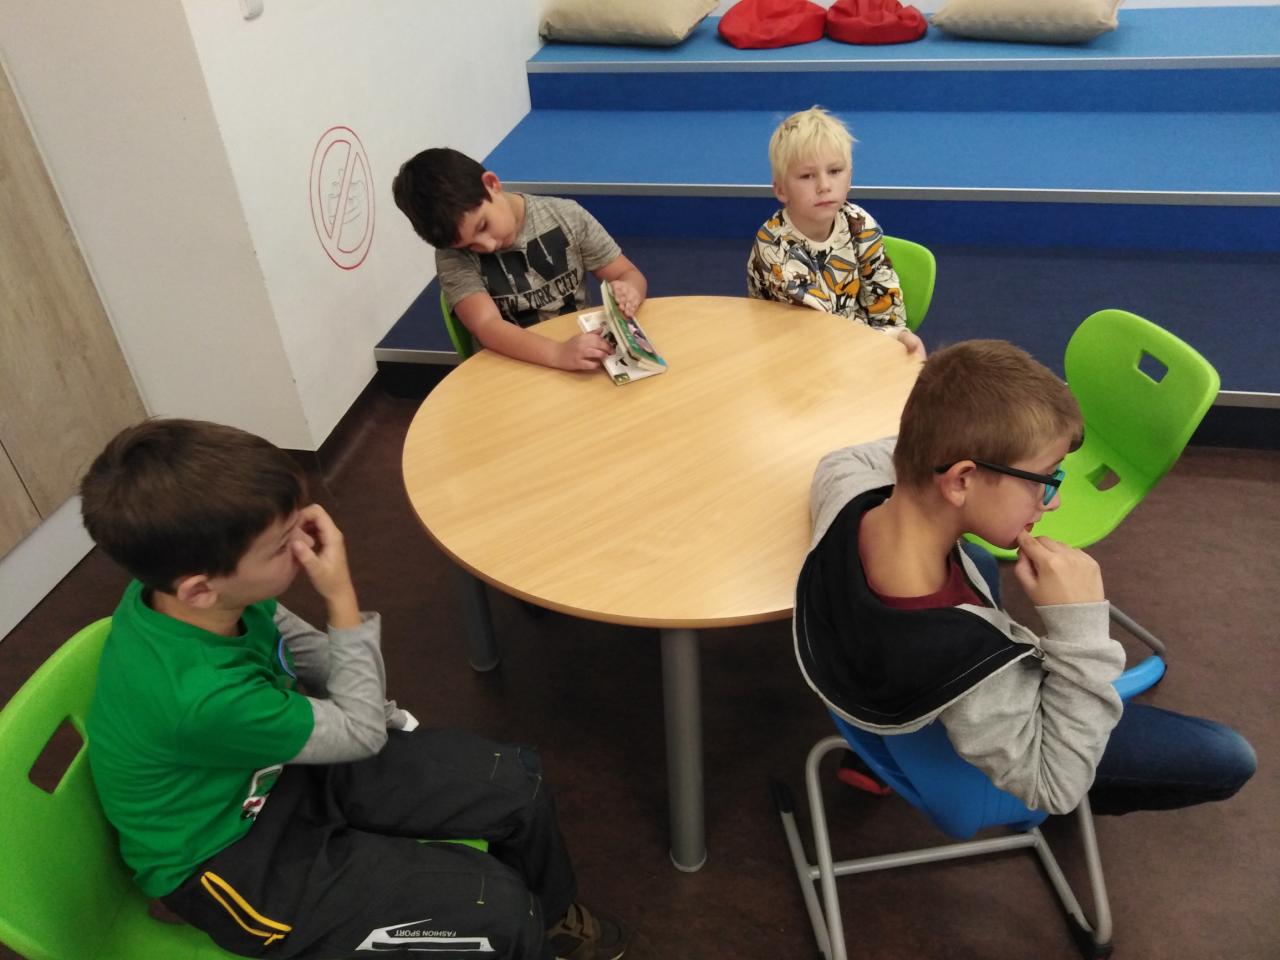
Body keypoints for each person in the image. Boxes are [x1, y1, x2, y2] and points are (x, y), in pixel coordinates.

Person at [81, 418, 626, 960]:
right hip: (231, 860)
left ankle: (551, 922)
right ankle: (524, 932)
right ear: (200, 590)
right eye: (282, 544)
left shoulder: (196, 596)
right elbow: (359, 734)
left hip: (270, 773)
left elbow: (300, 649)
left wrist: (381, 713)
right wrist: (340, 595)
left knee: (516, 784)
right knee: (498, 910)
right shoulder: (201, 699)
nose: (304, 546)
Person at [795, 340, 1255, 817]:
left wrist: (932, 430)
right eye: (1045, 479)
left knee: (980, 561)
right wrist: (1080, 628)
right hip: (1003, 755)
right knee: (1229, 756)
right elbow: (1054, 784)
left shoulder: (850, 495)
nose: (1053, 501)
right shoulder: (967, 662)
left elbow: (842, 461)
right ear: (961, 481)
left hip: (880, 694)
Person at [393, 147, 648, 372]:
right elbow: (487, 326)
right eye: (470, 245)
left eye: (483, 226)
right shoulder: (452, 255)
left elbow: (627, 274)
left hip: (579, 349)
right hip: (511, 363)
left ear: (492, 184)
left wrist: (629, 290)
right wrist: (557, 353)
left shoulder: (567, 215)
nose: (488, 246)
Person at [747, 106, 925, 360]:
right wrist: (881, 342)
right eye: (807, 176)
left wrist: (898, 335)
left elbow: (882, 294)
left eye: (834, 171)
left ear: (849, 178)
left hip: (855, 345)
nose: (824, 185)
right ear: (781, 190)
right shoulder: (775, 247)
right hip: (795, 355)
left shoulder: (859, 223)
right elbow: (819, 330)